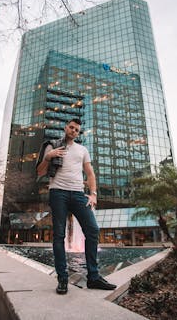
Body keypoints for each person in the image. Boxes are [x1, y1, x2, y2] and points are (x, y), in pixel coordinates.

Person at [37, 118, 116, 294]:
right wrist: (48, 157)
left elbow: (90, 174)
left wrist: (94, 194)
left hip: (79, 194)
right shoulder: (52, 146)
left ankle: (93, 278)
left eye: (76, 130)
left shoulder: (82, 150)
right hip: (58, 193)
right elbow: (40, 171)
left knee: (93, 230)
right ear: (65, 128)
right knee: (59, 235)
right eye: (71, 127)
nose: (73, 131)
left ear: (78, 133)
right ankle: (63, 279)